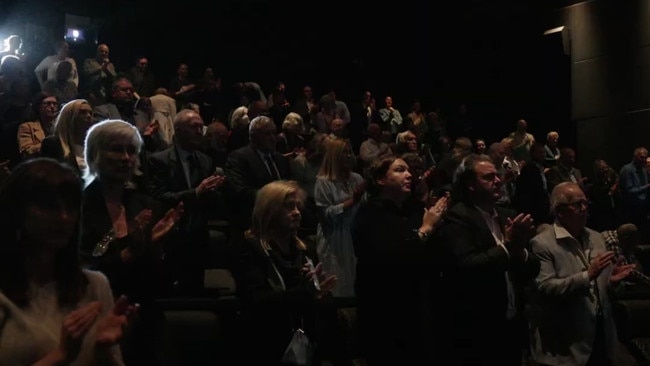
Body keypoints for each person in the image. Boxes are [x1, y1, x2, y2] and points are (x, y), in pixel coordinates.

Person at [0, 158, 137, 365]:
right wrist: (61, 356)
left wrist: (101, 350)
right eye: (49, 207)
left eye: (71, 207)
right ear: (17, 212)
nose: (64, 217)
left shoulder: (93, 285)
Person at [528, 182, 635, 366]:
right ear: (559, 211)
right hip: (568, 341)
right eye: (578, 204)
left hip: (601, 334)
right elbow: (546, 288)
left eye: (586, 203)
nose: (585, 208)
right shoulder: (542, 244)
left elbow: (602, 291)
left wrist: (612, 281)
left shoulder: (596, 237)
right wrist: (588, 275)